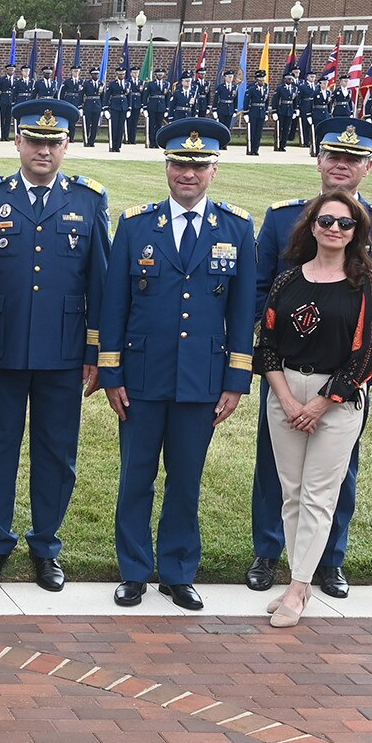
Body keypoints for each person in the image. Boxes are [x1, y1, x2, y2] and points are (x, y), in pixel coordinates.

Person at [246, 118, 372, 598]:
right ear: (319, 160)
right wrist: (277, 342)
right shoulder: (283, 218)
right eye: (333, 155)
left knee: (337, 469)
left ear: (367, 166)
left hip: (348, 372)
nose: (341, 164)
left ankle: (328, 560)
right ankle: (268, 551)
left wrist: (357, 353)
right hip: (286, 365)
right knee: (275, 468)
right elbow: (262, 288)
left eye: (353, 158)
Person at [98, 117, 256, 612]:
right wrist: (111, 373)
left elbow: (242, 310)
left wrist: (235, 380)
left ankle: (179, 570)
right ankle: (134, 570)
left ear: (214, 170)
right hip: (142, 377)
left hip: (201, 379)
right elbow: (114, 305)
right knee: (136, 475)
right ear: (167, 166)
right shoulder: (137, 224)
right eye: (179, 164)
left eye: (198, 166)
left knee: (186, 477)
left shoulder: (236, 226)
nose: (187, 174)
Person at [0, 99, 110, 592]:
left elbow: (99, 284)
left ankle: (46, 546)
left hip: (64, 352)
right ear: (18, 142)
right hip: (0, 350)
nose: (43, 150)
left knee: (56, 453)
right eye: (35, 140)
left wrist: (93, 353)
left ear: (66, 146)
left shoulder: (90, 199)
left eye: (54, 143)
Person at [254, 191, 372, 627]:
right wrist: (289, 399)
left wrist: (320, 402)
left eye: (344, 224)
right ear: (311, 226)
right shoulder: (287, 280)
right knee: (291, 493)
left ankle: (296, 590)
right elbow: (267, 345)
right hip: (285, 392)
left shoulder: (368, 283)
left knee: (318, 495)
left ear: (357, 232)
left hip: (337, 401)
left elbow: (366, 355)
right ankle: (302, 581)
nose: (334, 229)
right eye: (326, 221)